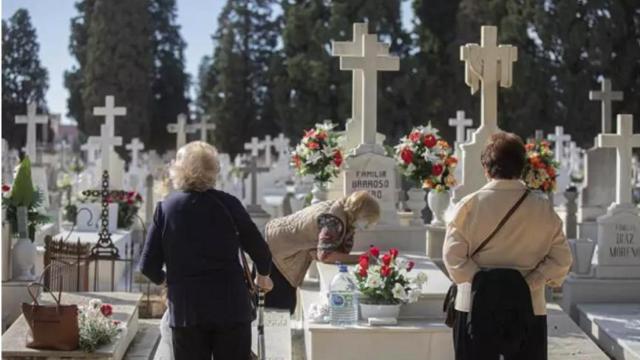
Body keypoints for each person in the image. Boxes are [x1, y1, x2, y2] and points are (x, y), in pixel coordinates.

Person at [443, 132, 572, 360]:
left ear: (486, 167)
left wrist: (485, 284)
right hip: (528, 307)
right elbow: (562, 261)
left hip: (475, 307)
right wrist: (527, 283)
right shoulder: (542, 208)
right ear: (522, 167)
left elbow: (454, 259)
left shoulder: (468, 206)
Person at [140, 141, 273, 360]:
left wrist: (167, 281)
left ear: (178, 170)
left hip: (186, 310)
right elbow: (260, 249)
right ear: (214, 171)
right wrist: (264, 276)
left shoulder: (165, 209)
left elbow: (148, 266)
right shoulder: (229, 204)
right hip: (231, 307)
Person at [264, 190, 380, 314]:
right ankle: (269, 333)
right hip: (277, 251)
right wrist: (362, 258)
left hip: (278, 245)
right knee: (278, 308)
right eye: (368, 220)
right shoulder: (333, 220)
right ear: (359, 213)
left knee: (282, 307)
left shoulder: (341, 210)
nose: (368, 225)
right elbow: (326, 255)